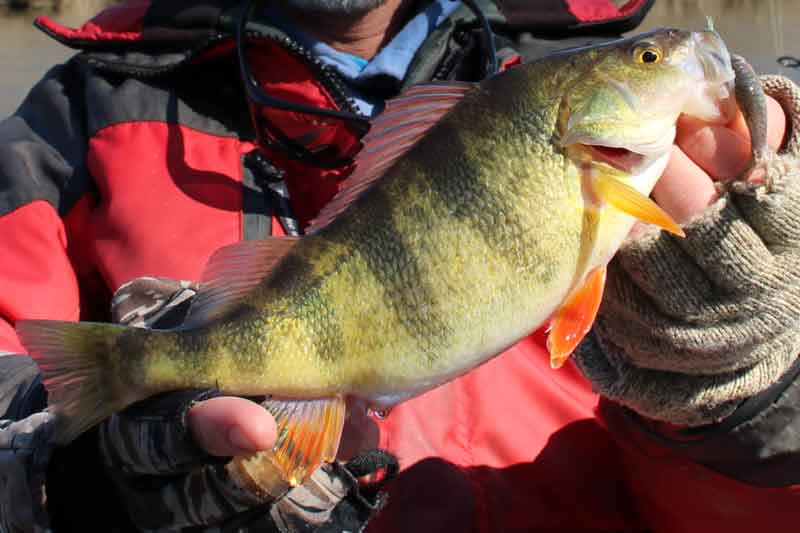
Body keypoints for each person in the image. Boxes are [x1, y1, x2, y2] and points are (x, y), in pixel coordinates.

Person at [1, 0, 799, 531]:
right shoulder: (77, 122)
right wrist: (71, 479)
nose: (670, 61)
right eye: (653, 60)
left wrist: (756, 395)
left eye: (650, 59)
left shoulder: (561, 70)